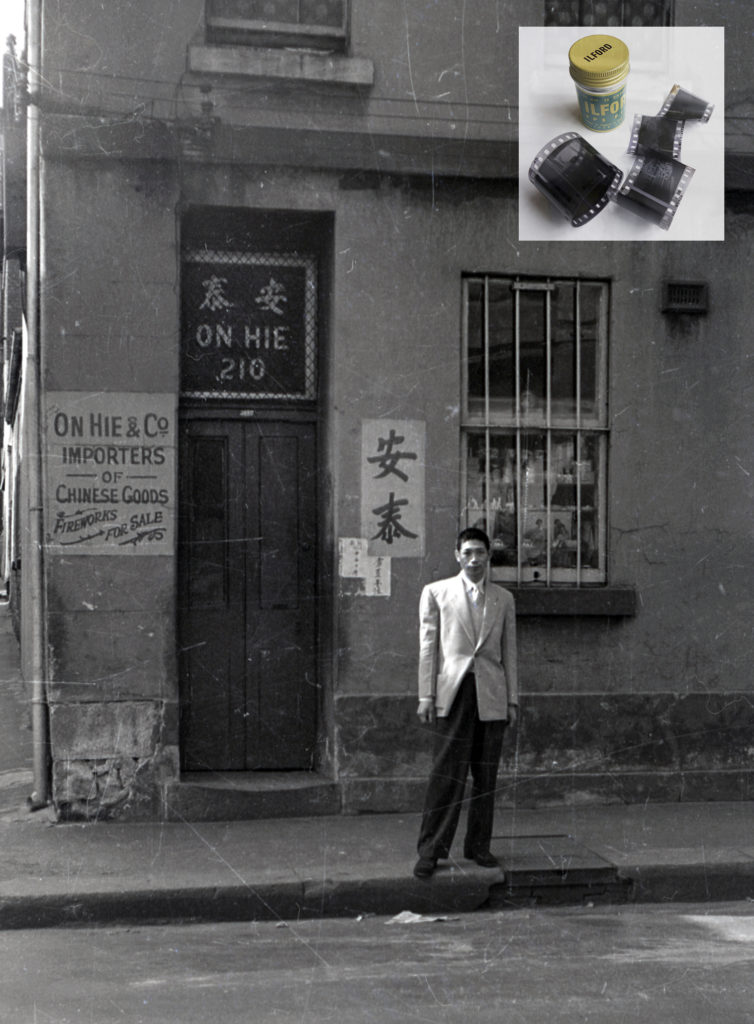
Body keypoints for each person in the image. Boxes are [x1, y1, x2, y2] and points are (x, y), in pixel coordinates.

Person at [413, 527, 518, 880]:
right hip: (454, 693)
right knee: (447, 774)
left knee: (486, 775)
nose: (474, 560)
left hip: (492, 694)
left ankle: (478, 846)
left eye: (480, 553)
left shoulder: (503, 599)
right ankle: (430, 850)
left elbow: (509, 652)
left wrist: (512, 700)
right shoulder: (436, 592)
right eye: (468, 553)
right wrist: (426, 696)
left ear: (489, 556)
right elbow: (428, 648)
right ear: (457, 555)